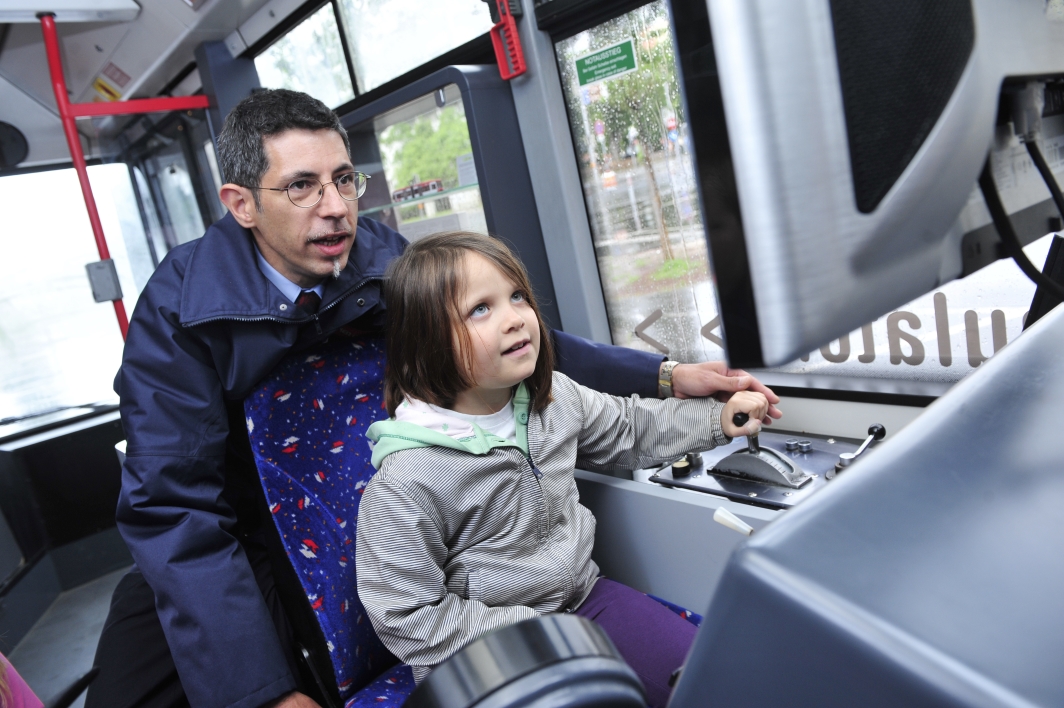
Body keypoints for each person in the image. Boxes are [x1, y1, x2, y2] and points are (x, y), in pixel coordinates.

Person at [86, 88, 780, 708]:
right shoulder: (182, 314)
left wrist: (660, 376)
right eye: (301, 187)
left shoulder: (378, 255)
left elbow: (509, 338)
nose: (335, 208)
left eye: (343, 180)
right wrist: (261, 693)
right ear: (242, 204)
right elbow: (171, 505)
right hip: (245, 525)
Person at [357, 232, 770, 708]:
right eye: (481, 309)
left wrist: (719, 419)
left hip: (586, 600)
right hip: (488, 651)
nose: (515, 319)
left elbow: (631, 429)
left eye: (516, 297)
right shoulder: (407, 481)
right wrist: (539, 630)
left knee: (710, 684)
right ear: (429, 341)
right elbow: (406, 614)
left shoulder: (553, 398)